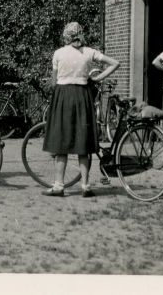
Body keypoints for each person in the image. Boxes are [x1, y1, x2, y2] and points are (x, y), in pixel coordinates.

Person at [43, 22, 119, 197]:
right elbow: (115, 63)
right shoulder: (89, 52)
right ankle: (85, 186)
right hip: (82, 96)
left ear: (66, 36)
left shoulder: (58, 53)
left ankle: (59, 186)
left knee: (61, 141)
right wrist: (98, 78)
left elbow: (54, 82)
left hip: (63, 97)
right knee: (82, 142)